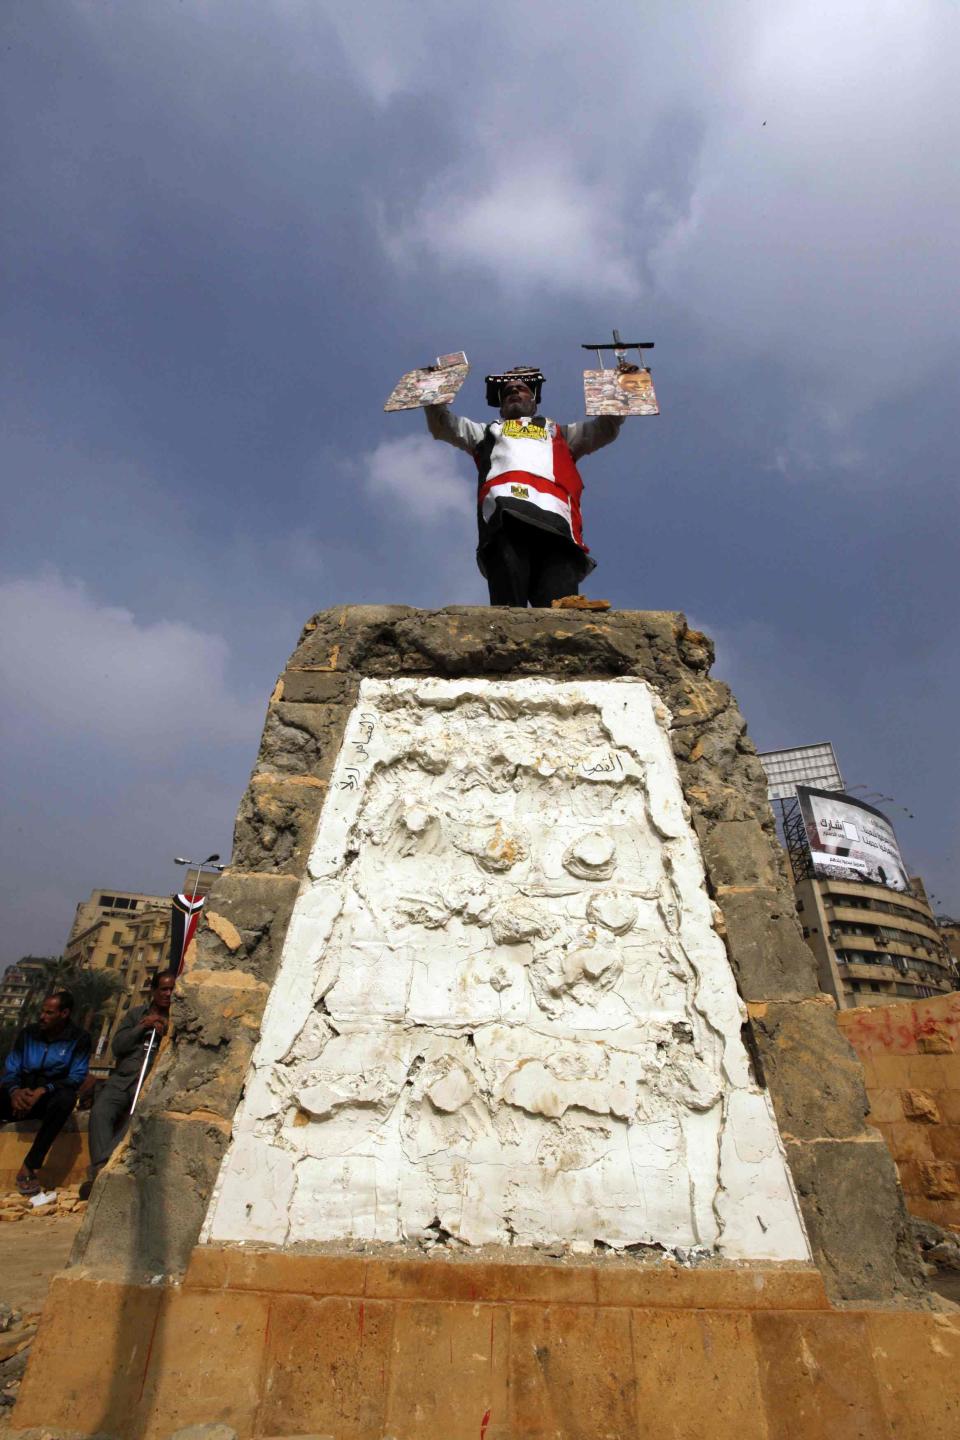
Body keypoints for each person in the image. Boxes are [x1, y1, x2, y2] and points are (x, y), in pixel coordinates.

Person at [425, 366, 624, 606]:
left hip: (557, 523)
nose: (514, 392)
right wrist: (433, 392)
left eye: (521, 388)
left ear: (534, 400)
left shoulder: (560, 433)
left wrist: (620, 384)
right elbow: (444, 425)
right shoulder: (486, 433)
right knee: (508, 608)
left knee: (560, 611)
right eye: (508, 390)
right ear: (501, 406)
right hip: (506, 516)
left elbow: (604, 428)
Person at [82, 972, 174, 1195]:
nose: (167, 994)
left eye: (171, 990)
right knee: (101, 1111)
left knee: (135, 1118)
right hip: (123, 1078)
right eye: (163, 989)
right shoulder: (135, 1015)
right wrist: (142, 1027)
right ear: (153, 991)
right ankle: (103, 1167)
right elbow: (118, 1046)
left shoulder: (176, 1019)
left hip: (149, 1083)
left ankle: (101, 1170)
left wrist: (166, 1031)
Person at [0, 990, 91, 1196]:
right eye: (42, 1012)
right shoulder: (29, 1034)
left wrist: (44, 1090)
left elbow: (76, 1076)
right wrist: (15, 1092)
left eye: (49, 1013)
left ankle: (30, 1167)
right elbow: (12, 1067)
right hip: (20, 1094)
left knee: (66, 1100)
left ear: (64, 1014)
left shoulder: (79, 1039)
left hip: (49, 1097)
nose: (43, 1017)